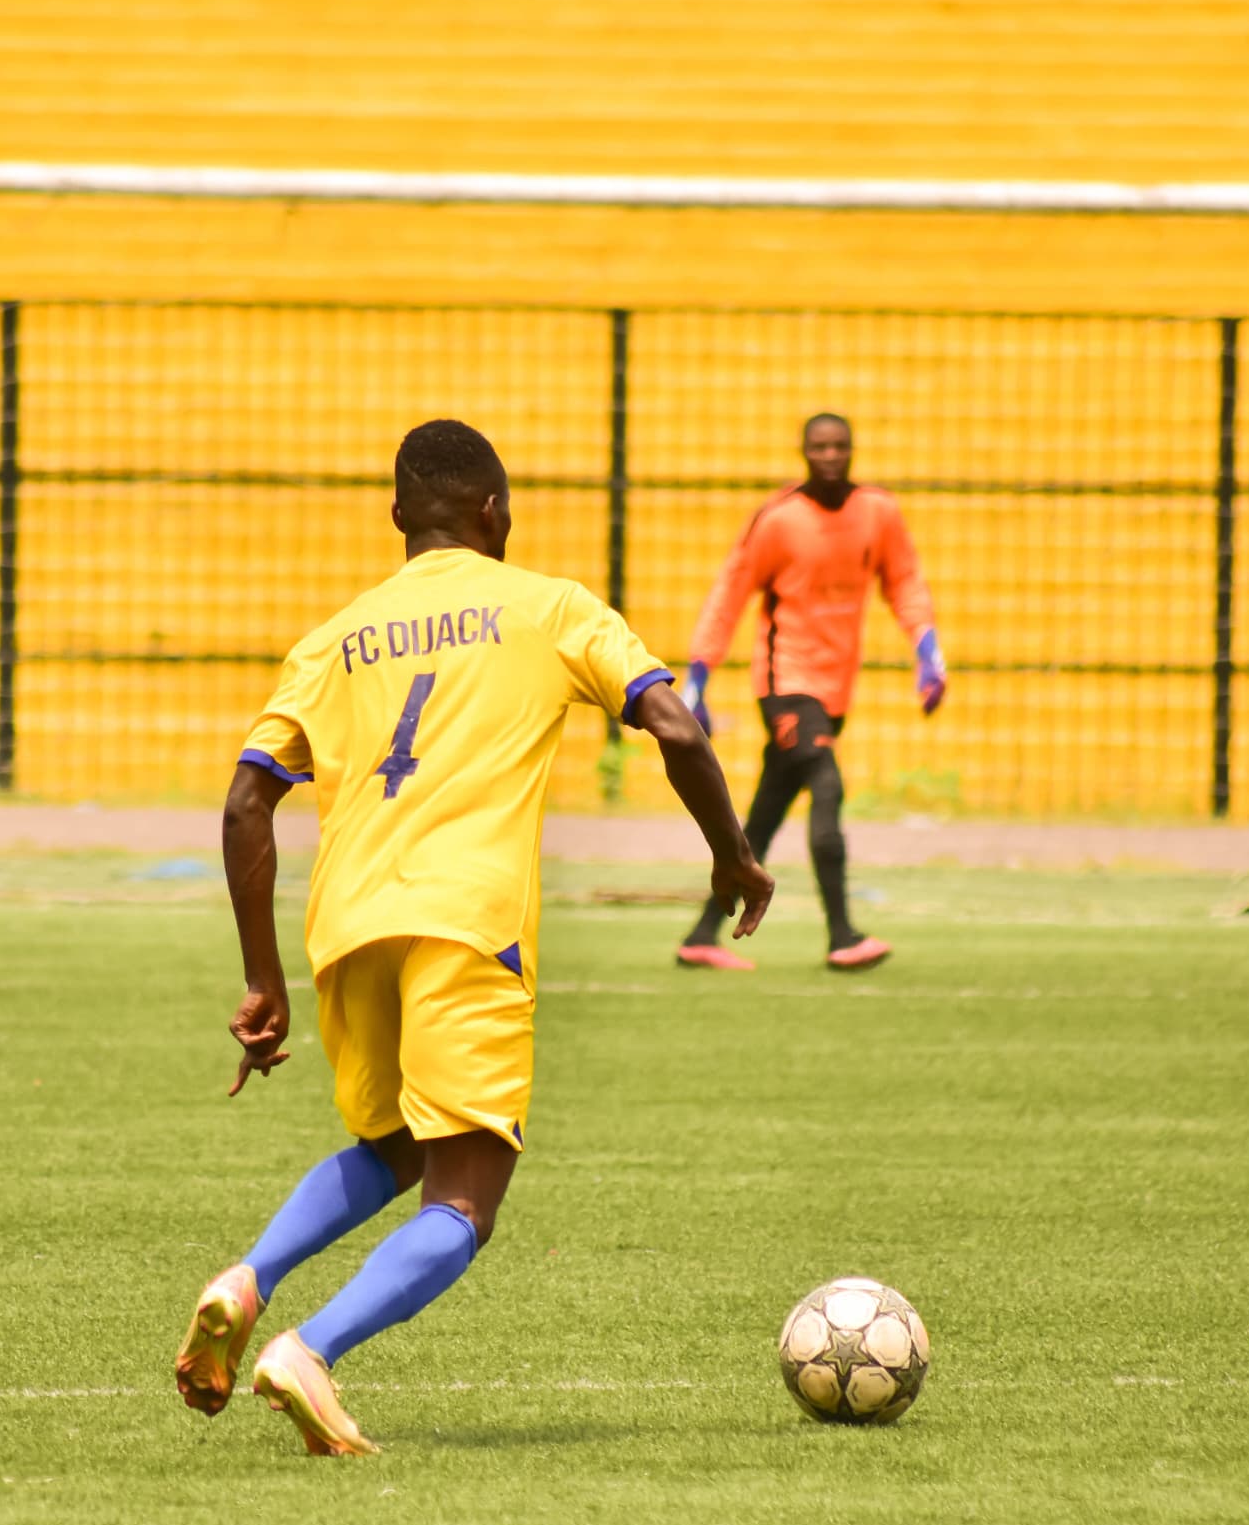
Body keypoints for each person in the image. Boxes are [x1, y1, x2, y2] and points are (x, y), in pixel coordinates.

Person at [175, 418, 774, 1457]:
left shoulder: (333, 639)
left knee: (396, 1145)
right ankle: (309, 1351)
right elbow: (676, 726)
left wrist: (263, 978)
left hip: (348, 928)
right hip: (466, 923)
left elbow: (244, 803)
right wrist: (732, 856)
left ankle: (247, 1279)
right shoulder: (548, 607)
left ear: (398, 515)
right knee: (465, 1198)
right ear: (494, 511)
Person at [674, 413, 947, 973]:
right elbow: (730, 593)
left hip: (835, 688)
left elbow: (904, 581)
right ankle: (843, 935)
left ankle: (701, 936)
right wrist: (698, 676)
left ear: (853, 450)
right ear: (803, 452)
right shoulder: (779, 518)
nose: (830, 455)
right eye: (819, 446)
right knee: (827, 785)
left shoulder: (878, 512)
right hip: (786, 684)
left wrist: (927, 650)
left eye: (839, 446)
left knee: (765, 816)